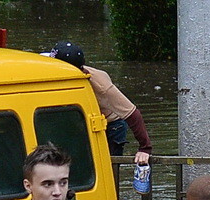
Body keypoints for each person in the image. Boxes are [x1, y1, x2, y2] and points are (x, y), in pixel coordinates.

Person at [51, 40, 153, 168]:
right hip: (86, 122)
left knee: (106, 170)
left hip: (112, 125)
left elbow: (132, 113)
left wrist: (145, 148)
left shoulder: (101, 87)